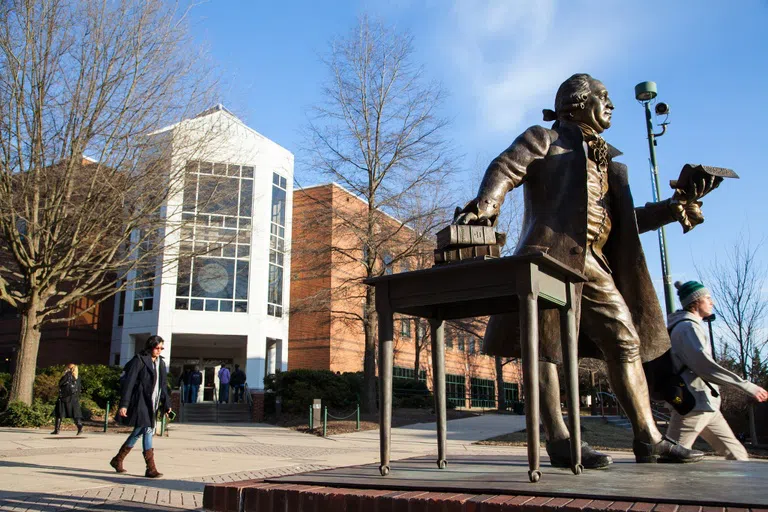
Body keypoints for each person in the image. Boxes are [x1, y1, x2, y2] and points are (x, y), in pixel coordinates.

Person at [456, 73, 714, 466]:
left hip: (594, 261)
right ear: (576, 103)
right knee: (545, 350)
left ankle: (648, 439)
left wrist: (672, 209)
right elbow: (505, 168)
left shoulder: (606, 161)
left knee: (626, 341)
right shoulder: (545, 139)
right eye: (603, 97)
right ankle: (560, 440)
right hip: (550, 257)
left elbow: (626, 219)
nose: (611, 105)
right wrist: (485, 209)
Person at [666, 280, 768, 460]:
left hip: (706, 405)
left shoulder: (689, 326)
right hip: (694, 405)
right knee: (672, 459)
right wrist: (747, 386)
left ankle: (741, 489)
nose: (711, 302)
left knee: (738, 455)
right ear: (695, 302)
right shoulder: (687, 327)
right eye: (708, 298)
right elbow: (705, 366)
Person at [109, 335, 171, 478]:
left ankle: (117, 460)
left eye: (162, 348)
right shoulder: (140, 360)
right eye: (157, 347)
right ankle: (151, 468)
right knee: (148, 430)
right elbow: (129, 383)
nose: (159, 350)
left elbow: (163, 386)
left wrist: (167, 404)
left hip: (153, 403)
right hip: (141, 402)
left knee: (139, 431)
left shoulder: (160, 363)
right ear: (150, 346)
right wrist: (124, 404)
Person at [52, 363, 83, 435]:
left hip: (64, 397)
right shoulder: (78, 377)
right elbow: (79, 388)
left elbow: (60, 384)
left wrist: (65, 375)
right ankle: (80, 427)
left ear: (69, 368)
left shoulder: (67, 376)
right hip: (74, 398)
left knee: (59, 413)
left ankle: (57, 430)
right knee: (75, 414)